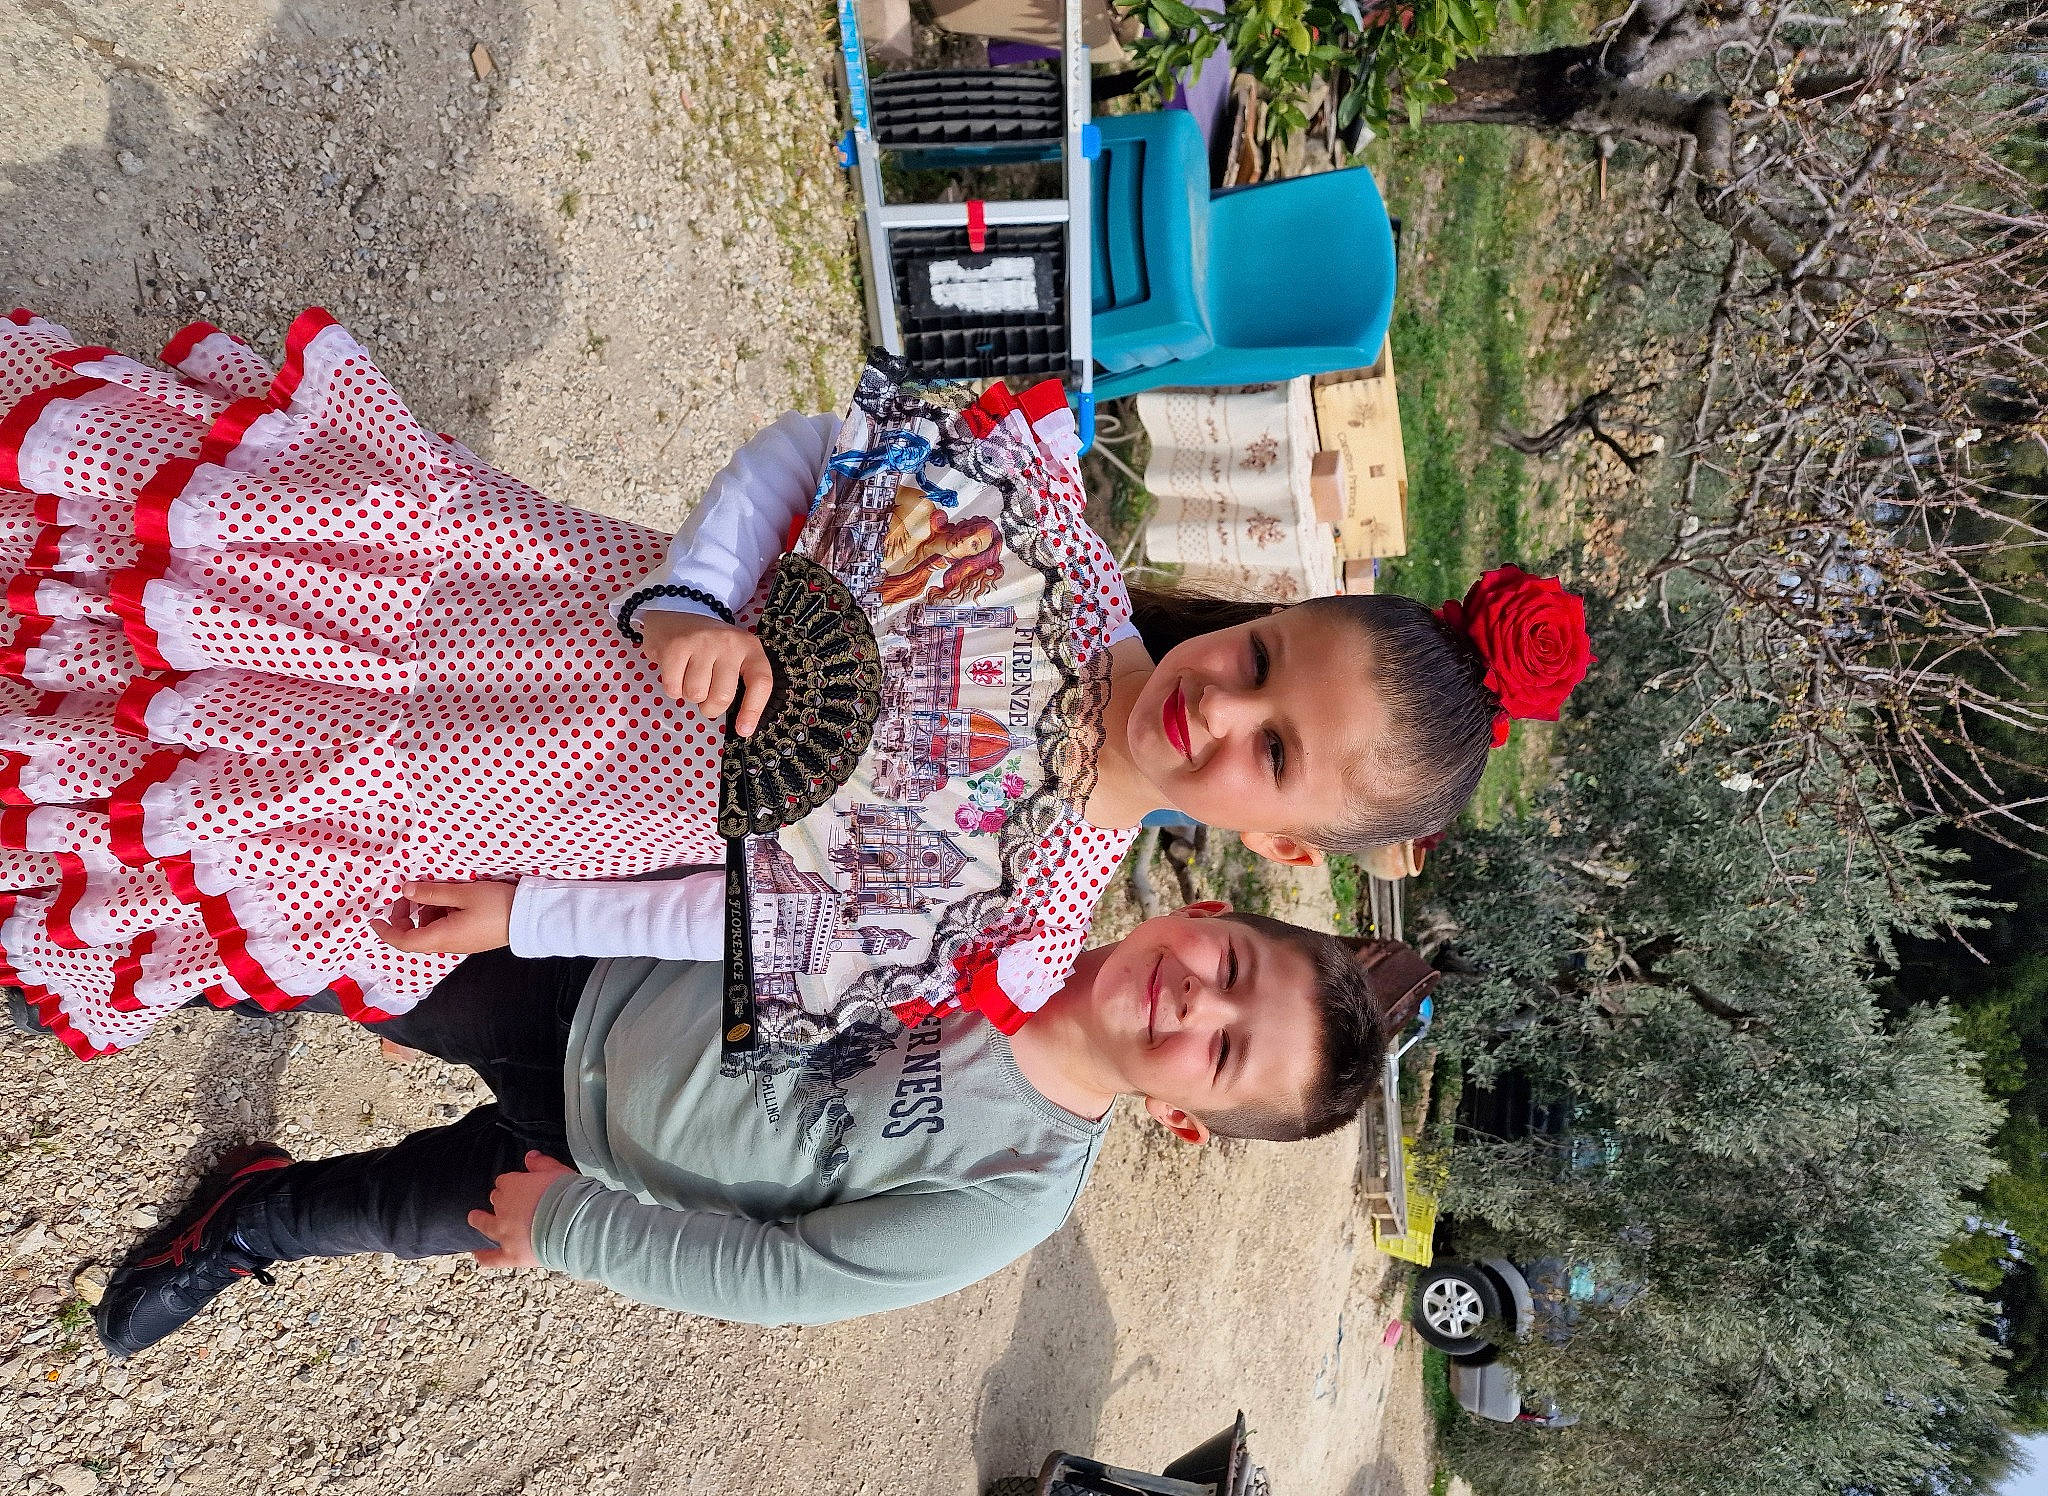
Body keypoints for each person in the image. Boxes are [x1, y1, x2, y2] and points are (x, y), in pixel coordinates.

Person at [0, 309, 1593, 1057]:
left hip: (550, 805)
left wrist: (519, 916)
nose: (1221, 711)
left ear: (1283, 847)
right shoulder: (1047, 541)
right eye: (1258, 662)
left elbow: (731, 925)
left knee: (223, 783)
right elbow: (812, 453)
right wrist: (698, 594)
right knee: (218, 600)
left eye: (1271, 756)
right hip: (542, 600)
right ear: (1262, 609)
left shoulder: (1028, 915)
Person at [90, 901, 1382, 1356]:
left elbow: (787, 1278)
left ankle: (247, 1221)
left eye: (1223, 1050)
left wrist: (580, 1230)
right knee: (347, 955)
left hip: (586, 1169)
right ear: (1204, 911)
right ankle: (137, 951)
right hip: (587, 978)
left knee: (381, 1213)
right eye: (1228, 964)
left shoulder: (1013, 1190)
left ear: (1182, 1116)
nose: (1194, 1001)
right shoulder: (1012, 893)